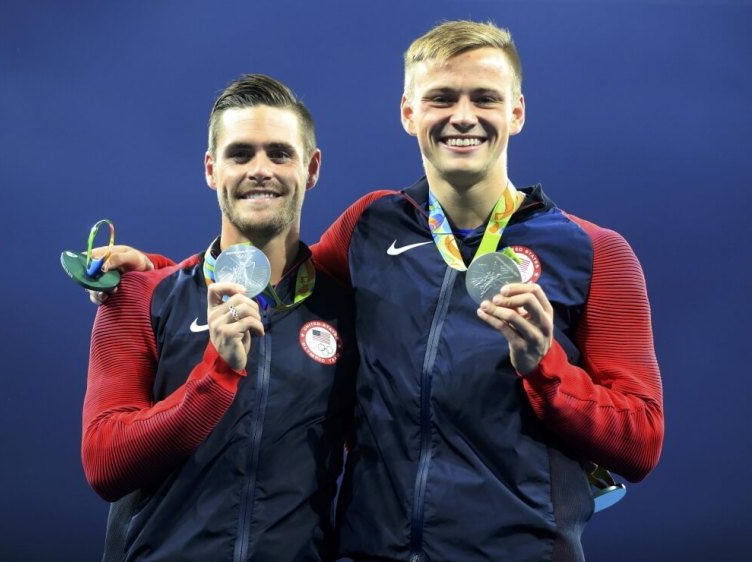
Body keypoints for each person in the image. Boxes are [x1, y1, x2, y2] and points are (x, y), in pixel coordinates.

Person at [96, 20, 664, 562]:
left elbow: (640, 443)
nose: (463, 116)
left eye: (485, 98)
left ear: (516, 111)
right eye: (441, 97)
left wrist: (547, 371)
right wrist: (158, 274)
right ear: (408, 113)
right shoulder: (371, 226)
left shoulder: (595, 252)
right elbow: (281, 279)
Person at [81, 73, 357, 562]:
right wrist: (216, 376)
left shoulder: (345, 310)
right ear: (212, 169)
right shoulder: (139, 297)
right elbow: (106, 463)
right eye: (239, 154)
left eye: (279, 153)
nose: (259, 169)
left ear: (311, 169)